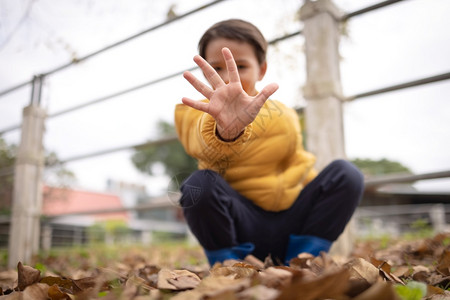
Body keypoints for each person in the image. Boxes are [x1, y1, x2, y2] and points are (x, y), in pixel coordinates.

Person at [174, 19, 364, 266]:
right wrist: (225, 129)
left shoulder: (284, 114)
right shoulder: (192, 111)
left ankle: (304, 260)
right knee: (198, 185)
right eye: (217, 68)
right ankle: (228, 265)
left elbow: (299, 164)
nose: (228, 76)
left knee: (346, 174)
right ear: (205, 71)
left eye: (240, 66)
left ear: (261, 69)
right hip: (239, 225)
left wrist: (324, 199)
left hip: (291, 222)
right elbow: (202, 147)